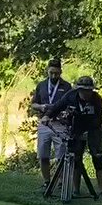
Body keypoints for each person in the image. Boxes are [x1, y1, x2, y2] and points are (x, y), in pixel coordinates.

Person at [44, 75, 102, 199]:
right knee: (75, 158)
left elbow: (97, 120)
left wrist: (89, 133)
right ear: (78, 90)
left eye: (89, 90)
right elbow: (57, 106)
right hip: (76, 128)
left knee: (98, 157)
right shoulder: (70, 96)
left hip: (93, 129)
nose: (86, 93)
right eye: (83, 90)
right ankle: (76, 190)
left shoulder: (97, 100)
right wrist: (47, 116)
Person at [30, 59, 73, 190]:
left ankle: (60, 182)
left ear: (60, 72)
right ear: (47, 71)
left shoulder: (66, 86)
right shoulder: (41, 85)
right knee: (43, 155)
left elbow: (70, 104)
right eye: (51, 73)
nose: (54, 76)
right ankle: (47, 181)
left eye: (56, 73)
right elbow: (33, 104)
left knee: (61, 155)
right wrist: (42, 107)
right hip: (44, 123)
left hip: (60, 123)